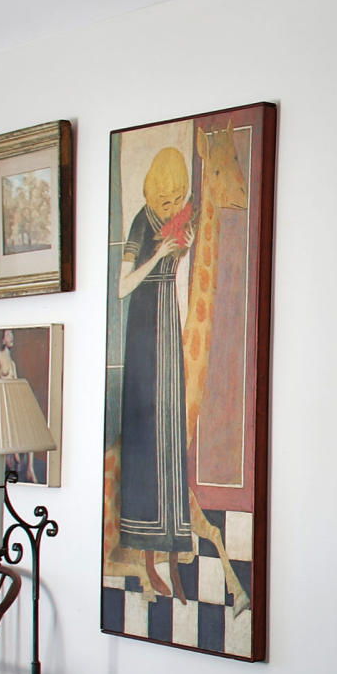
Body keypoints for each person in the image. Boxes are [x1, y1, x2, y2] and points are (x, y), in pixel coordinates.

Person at [115, 144, 197, 596]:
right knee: (148, 431)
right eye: (167, 199)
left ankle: (172, 548)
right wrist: (159, 252)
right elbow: (122, 287)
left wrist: (179, 249)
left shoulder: (182, 214)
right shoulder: (139, 222)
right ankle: (146, 553)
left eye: (178, 199)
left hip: (169, 319)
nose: (173, 206)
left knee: (171, 426)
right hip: (144, 326)